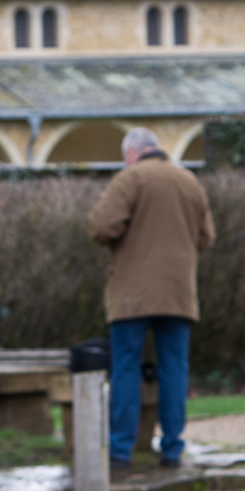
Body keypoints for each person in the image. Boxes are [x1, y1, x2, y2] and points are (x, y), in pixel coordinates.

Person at [87, 127, 215, 468]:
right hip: (178, 292)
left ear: (131, 153)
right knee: (175, 369)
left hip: (133, 294)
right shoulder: (189, 181)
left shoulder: (130, 179)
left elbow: (101, 227)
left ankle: (120, 451)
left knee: (126, 368)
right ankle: (173, 449)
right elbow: (206, 238)